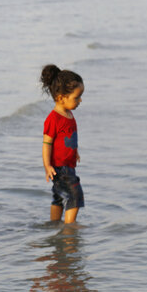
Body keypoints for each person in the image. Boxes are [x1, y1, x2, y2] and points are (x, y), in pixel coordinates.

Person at [40, 64, 85, 224]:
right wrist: (47, 166)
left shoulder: (68, 113)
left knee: (59, 196)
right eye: (76, 97)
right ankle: (69, 227)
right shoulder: (53, 119)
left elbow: (68, 137)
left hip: (68, 164)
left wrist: (75, 151)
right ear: (61, 98)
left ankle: (54, 223)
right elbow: (47, 144)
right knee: (75, 194)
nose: (80, 100)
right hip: (60, 167)